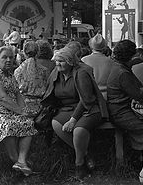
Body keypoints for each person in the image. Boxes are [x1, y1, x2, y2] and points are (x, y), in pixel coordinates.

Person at [41, 45, 108, 180]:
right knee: (56, 123)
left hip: (88, 108)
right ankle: (86, 153)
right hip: (66, 109)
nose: (58, 64)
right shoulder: (56, 73)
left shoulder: (81, 73)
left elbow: (86, 99)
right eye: (57, 61)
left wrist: (73, 119)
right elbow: (49, 93)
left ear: (70, 61)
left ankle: (79, 164)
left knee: (79, 130)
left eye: (62, 61)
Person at [0, 46, 37, 176]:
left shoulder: (10, 74)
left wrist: (24, 110)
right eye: (5, 57)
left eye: (11, 57)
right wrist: (20, 111)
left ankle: (21, 161)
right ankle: (15, 159)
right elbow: (1, 98)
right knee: (7, 125)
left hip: (9, 110)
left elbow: (18, 95)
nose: (9, 60)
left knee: (28, 122)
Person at [107, 40, 143, 178]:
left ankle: (137, 159)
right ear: (131, 56)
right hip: (121, 112)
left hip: (120, 109)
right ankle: (137, 161)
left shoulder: (119, 68)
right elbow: (138, 94)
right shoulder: (123, 73)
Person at [14, 41, 47, 116]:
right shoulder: (44, 70)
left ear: (24, 53)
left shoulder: (18, 71)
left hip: (23, 106)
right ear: (38, 52)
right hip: (40, 107)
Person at [82, 34, 114, 100]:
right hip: (106, 96)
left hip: (89, 96)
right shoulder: (111, 62)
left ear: (91, 46)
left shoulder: (84, 60)